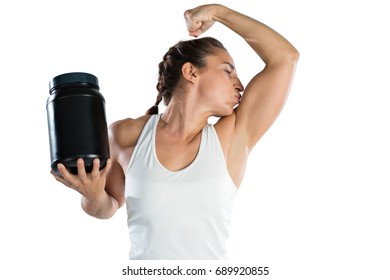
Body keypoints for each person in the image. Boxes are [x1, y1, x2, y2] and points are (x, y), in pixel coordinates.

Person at [51, 4, 299, 260]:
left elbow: (285, 57)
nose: (240, 85)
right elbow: (109, 205)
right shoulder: (126, 135)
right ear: (191, 72)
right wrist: (91, 196)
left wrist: (218, 12)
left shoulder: (234, 135)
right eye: (228, 71)